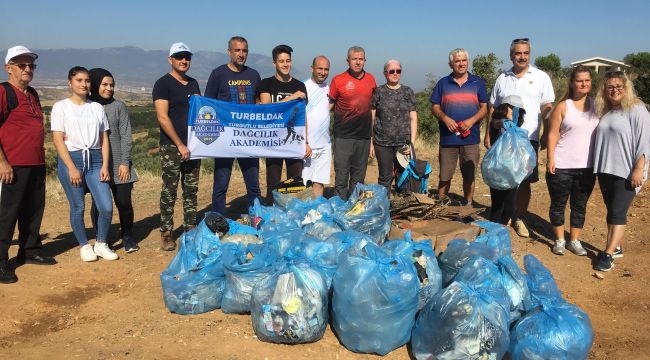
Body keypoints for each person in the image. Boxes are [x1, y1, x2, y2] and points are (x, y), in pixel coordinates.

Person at [487, 38, 554, 237]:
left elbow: (547, 107)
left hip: (529, 138)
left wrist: (546, 133)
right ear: (511, 55)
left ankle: (520, 218)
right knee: (502, 176)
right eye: (518, 53)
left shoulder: (541, 77)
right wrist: (487, 135)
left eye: (525, 53)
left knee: (523, 180)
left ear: (530, 54)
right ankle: (502, 216)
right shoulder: (502, 78)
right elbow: (492, 109)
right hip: (502, 139)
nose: (522, 56)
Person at [0, 46, 56, 284]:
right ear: (8, 67)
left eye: (31, 65)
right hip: (13, 165)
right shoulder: (3, 92)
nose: (27, 69)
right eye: (21, 65)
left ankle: (30, 250)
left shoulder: (32, 93)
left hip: (36, 163)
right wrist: (2, 162)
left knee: (33, 210)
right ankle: (1, 261)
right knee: (7, 214)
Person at [51, 66, 118, 262]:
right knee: (78, 206)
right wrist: (71, 167)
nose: (84, 84)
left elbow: (104, 138)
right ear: (70, 83)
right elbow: (57, 140)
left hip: (96, 159)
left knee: (105, 206)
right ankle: (83, 245)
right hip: (72, 159)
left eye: (87, 80)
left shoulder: (96, 108)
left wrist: (105, 165)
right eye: (79, 80)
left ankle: (101, 243)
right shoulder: (60, 107)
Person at [592, 70, 650, 271]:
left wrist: (639, 168)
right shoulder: (606, 110)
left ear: (626, 88)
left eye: (619, 86)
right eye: (610, 87)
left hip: (627, 170)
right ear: (605, 90)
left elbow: (645, 141)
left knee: (617, 212)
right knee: (612, 211)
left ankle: (607, 254)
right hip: (606, 169)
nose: (614, 90)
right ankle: (616, 247)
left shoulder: (637, 109)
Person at [204, 36, 262, 215]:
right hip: (225, 140)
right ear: (229, 52)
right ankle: (218, 223)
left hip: (248, 139)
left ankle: (256, 218)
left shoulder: (254, 75)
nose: (241, 54)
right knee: (221, 185)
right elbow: (208, 105)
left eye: (244, 50)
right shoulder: (218, 74)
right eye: (237, 50)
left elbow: (259, 103)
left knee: (253, 185)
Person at [152, 42, 201, 251]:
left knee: (191, 190)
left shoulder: (193, 83)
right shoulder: (163, 84)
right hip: (172, 147)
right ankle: (166, 232)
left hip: (194, 146)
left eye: (187, 57)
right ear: (170, 59)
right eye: (179, 57)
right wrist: (180, 144)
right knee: (170, 190)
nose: (184, 61)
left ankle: (191, 228)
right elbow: (162, 117)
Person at [546, 66, 598, 256]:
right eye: (579, 80)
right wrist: (551, 158)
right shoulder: (563, 106)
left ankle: (574, 241)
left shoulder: (596, 105)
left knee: (579, 205)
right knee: (558, 204)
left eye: (587, 80)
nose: (583, 84)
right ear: (572, 83)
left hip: (587, 167)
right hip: (562, 165)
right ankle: (560, 240)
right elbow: (552, 134)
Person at [88, 68, 139, 253]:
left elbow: (126, 135)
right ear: (94, 85)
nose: (109, 88)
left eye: (111, 85)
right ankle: (102, 239)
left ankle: (128, 236)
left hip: (119, 164)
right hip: (96, 165)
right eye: (104, 84)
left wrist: (125, 162)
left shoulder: (119, 106)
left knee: (124, 202)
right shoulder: (87, 107)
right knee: (99, 204)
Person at [430, 49, 487, 205]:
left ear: (468, 62)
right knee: (445, 175)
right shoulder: (443, 83)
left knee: (469, 175)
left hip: (471, 138)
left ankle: (468, 204)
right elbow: (434, 107)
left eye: (464, 60)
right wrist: (445, 118)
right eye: (457, 61)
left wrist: (471, 121)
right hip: (448, 139)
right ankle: (441, 204)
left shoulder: (478, 82)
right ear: (451, 64)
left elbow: (484, 108)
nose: (461, 64)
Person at [259, 45, 311, 202]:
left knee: (295, 183)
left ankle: (293, 219)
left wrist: (306, 142)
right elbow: (267, 110)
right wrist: (292, 98)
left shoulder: (299, 86)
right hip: (273, 141)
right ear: (274, 63)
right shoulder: (266, 84)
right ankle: (271, 217)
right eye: (281, 61)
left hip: (294, 141)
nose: (285, 64)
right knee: (273, 184)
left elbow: (303, 116)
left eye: (288, 61)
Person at [329, 46, 376, 200]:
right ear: (348, 60)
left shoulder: (371, 80)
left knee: (358, 179)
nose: (357, 62)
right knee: (341, 178)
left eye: (360, 59)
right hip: (343, 136)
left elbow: (373, 108)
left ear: (365, 61)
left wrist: (372, 139)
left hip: (363, 137)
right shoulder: (338, 80)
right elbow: (329, 106)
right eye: (354, 59)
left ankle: (354, 212)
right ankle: (339, 209)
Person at [371, 59, 417, 195]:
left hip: (403, 144)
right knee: (385, 177)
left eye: (398, 71)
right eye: (392, 71)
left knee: (402, 176)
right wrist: (370, 142)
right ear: (385, 73)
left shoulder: (408, 91)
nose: (395, 73)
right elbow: (372, 118)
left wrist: (412, 144)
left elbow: (413, 119)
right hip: (382, 143)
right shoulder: (378, 92)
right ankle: (384, 207)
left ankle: (401, 208)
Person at [486, 95, 527, 225]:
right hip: (497, 170)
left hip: (512, 171)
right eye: (512, 108)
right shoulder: (498, 123)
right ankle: (493, 231)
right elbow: (496, 123)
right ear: (504, 108)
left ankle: (502, 228)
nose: (515, 111)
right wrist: (504, 122)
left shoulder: (517, 128)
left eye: (517, 110)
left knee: (509, 207)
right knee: (497, 205)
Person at [302, 56, 331, 198]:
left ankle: (316, 212)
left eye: (326, 69)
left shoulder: (329, 89)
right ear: (312, 68)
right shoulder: (303, 87)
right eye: (320, 68)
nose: (323, 72)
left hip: (325, 144)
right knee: (305, 183)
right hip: (307, 145)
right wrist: (304, 142)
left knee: (319, 182)